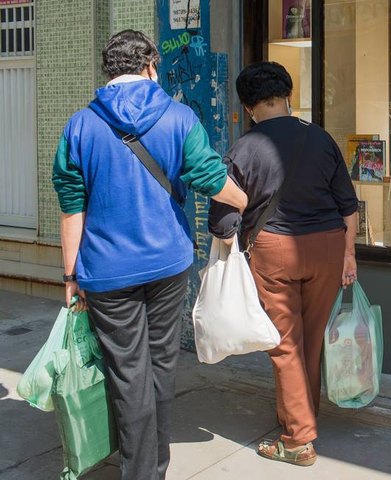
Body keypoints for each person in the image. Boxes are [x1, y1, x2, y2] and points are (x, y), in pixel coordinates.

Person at [51, 30, 247, 480]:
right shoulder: (178, 117)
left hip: (106, 271)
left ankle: (139, 470)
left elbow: (71, 208)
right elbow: (210, 177)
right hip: (168, 264)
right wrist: (245, 200)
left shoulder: (79, 125)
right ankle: (153, 468)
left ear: (108, 71)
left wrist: (70, 277)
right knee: (160, 365)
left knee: (128, 372)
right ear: (151, 66)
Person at [208, 61, 359, 467]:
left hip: (273, 250)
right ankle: (302, 414)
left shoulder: (243, 149)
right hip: (328, 245)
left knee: (284, 343)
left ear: (248, 107)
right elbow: (349, 205)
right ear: (287, 97)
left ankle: (297, 440)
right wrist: (348, 255)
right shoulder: (320, 138)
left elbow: (222, 221)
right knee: (310, 338)